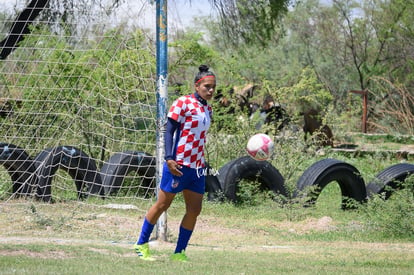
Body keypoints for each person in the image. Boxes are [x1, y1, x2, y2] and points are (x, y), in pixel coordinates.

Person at [134, 65, 216, 262]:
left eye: (213, 87)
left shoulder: (208, 108)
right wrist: (169, 158)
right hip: (178, 164)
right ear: (197, 86)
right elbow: (169, 131)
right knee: (163, 204)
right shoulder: (183, 103)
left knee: (194, 210)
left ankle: (179, 253)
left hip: (197, 167)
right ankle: (141, 244)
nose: (211, 90)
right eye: (207, 86)